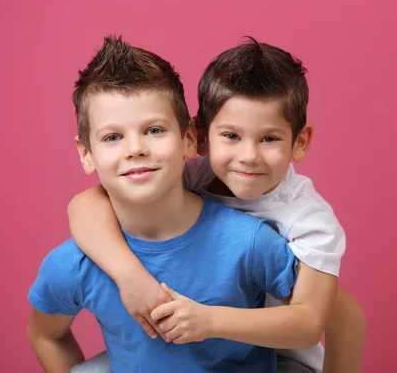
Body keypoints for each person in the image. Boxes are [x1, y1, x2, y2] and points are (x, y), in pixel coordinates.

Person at [28, 36, 333, 373]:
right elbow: (46, 334)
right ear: (86, 154)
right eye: (113, 137)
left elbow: (320, 318)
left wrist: (210, 320)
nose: (135, 149)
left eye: (154, 130)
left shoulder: (254, 240)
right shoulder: (76, 263)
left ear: (190, 138)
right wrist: (130, 277)